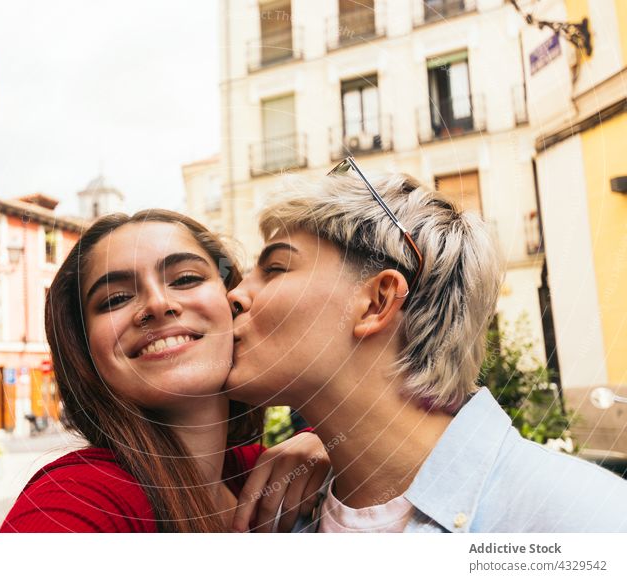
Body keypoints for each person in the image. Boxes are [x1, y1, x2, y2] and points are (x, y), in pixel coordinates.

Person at [226, 158, 627, 533]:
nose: (236, 295)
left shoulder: (589, 520)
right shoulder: (284, 515)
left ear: (377, 302)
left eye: (275, 269)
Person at [0, 209, 329, 533]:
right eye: (115, 299)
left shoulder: (257, 471)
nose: (157, 304)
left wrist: (331, 443)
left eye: (186, 279)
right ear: (85, 351)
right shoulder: (82, 496)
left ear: (235, 303)